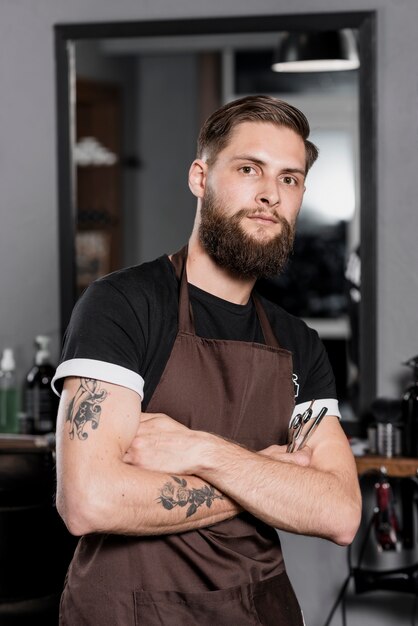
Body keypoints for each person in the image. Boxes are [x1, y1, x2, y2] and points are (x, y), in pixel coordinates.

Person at [52, 94, 362, 625]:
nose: (270, 194)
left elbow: (340, 513)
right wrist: (269, 475)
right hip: (131, 612)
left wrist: (200, 451)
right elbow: (89, 501)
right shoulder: (124, 306)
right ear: (200, 177)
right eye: (249, 169)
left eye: (290, 179)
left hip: (259, 610)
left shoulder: (298, 342)